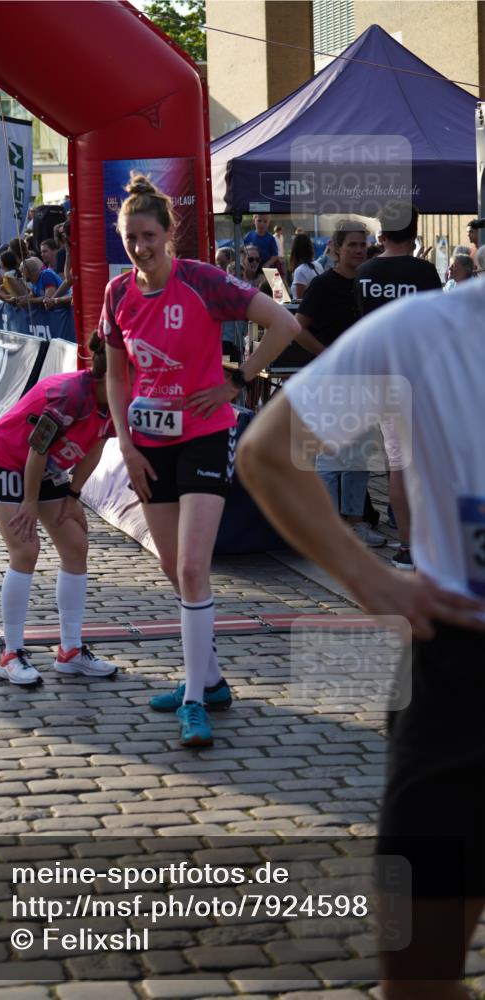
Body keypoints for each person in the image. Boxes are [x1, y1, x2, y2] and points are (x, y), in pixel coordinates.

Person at [236, 278, 485, 1000]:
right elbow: (270, 452)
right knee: (415, 976)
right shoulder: (420, 332)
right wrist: (370, 579)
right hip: (461, 677)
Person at [101, 173, 300, 748]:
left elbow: (284, 323)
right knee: (174, 570)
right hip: (149, 444)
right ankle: (210, 679)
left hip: (206, 437)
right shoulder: (118, 296)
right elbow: (116, 376)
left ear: (169, 234)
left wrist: (238, 379)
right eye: (130, 237)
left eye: (148, 235)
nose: (140, 247)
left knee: (192, 568)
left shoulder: (202, 282)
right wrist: (127, 445)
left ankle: (193, 699)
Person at [0, 331, 117, 685]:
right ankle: (10, 652)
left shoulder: (116, 399)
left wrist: (72, 496)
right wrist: (28, 501)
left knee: (75, 545)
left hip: (48, 467)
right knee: (25, 549)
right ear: (111, 375)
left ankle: (70, 650)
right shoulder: (70, 396)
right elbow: (37, 446)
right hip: (8, 459)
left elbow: (97, 445)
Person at [355, 202, 443, 571]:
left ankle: (407, 546)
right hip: (422, 376)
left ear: (383, 232)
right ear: (415, 231)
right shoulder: (424, 272)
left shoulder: (364, 273)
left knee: (398, 465)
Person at [295, 220, 385, 547]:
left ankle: (356, 521)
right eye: (352, 245)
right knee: (331, 456)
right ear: (336, 248)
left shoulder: (372, 282)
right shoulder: (322, 285)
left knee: (359, 456)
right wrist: (327, 353)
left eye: (363, 244)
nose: (359, 250)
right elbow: (297, 327)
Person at [289, 233, 323, 300]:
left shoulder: (300, 271)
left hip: (305, 309)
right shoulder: (318, 265)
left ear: (295, 250)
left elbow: (300, 301)